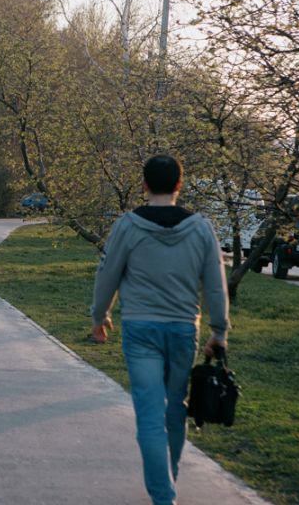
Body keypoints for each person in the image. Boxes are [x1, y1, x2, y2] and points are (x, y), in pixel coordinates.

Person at [91, 154, 230, 505]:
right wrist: (219, 331)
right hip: (183, 329)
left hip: (140, 330)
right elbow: (215, 284)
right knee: (174, 409)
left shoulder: (127, 226)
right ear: (179, 185)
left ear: (145, 185)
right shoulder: (201, 228)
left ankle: (164, 495)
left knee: (150, 415)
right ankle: (168, 482)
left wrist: (99, 315)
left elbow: (107, 273)